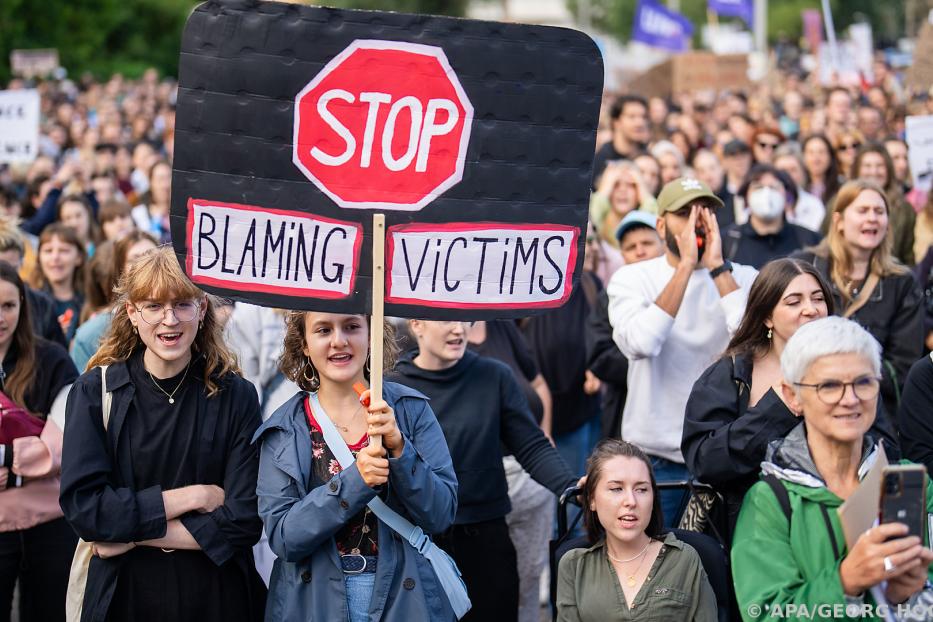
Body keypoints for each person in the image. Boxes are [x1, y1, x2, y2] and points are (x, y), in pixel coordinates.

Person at [59, 246, 267, 622]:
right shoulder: (94, 392)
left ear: (202, 310)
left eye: (182, 304)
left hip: (215, 597)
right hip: (124, 597)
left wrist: (127, 534)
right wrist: (195, 496)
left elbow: (243, 519)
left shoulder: (236, 395)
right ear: (132, 313)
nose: (169, 320)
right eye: (153, 306)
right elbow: (86, 510)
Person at [253, 311, 458, 621]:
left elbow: (441, 514)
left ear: (371, 335)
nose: (339, 341)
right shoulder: (284, 428)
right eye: (323, 330)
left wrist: (401, 449)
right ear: (305, 344)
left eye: (351, 327)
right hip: (315, 603)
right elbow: (284, 538)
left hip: (403, 598)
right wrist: (354, 482)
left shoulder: (410, 411)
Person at [731, 317, 933, 621]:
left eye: (863, 382)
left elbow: (922, 606)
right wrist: (845, 583)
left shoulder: (908, 483)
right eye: (829, 385)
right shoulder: (769, 502)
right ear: (792, 395)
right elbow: (765, 614)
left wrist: (906, 598)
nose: (849, 399)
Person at [682, 259, 899, 535]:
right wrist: (780, 407)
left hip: (841, 526)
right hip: (753, 531)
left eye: (818, 299)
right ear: (767, 316)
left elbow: (887, 451)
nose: (810, 309)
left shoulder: (852, 369)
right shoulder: (731, 373)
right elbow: (705, 461)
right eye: (794, 301)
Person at [389, 319, 578, 622]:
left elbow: (531, 445)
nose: (459, 329)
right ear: (417, 324)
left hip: (486, 540)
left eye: (466, 320)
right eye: (447, 319)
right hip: (418, 542)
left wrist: (573, 487)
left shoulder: (494, 376)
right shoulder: (393, 386)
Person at [606, 177, 758, 524]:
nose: (697, 221)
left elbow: (753, 346)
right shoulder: (632, 278)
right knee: (657, 565)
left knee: (718, 569)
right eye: (685, 213)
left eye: (705, 211)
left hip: (725, 454)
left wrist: (717, 269)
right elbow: (642, 343)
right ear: (661, 225)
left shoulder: (744, 278)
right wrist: (686, 266)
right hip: (655, 458)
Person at [794, 179, 922, 423]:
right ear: (839, 221)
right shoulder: (804, 266)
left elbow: (903, 367)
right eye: (862, 211)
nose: (872, 218)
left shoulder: (902, 283)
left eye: (879, 211)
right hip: (804, 405)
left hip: (871, 411)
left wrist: (851, 378)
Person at [556, 439, 717, 621]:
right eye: (616, 489)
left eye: (641, 490)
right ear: (591, 499)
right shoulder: (574, 565)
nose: (631, 501)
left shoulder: (684, 560)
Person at [0, 262, 79, 622]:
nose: (1, 317)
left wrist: (11, 473)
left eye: (8, 306)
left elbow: (59, 448)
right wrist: (23, 456)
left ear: (23, 306)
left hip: (49, 523)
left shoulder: (52, 360)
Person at [467, 320, 554, 622]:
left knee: (529, 578)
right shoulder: (433, 341)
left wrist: (544, 435)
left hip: (530, 476)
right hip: (482, 487)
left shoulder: (501, 326)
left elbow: (539, 383)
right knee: (491, 586)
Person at [587, 211, 664, 441]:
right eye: (631, 247)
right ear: (622, 254)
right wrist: (650, 363)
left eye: (647, 243)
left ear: (663, 245)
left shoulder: (683, 288)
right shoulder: (609, 296)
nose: (640, 251)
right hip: (625, 409)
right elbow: (599, 354)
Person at [70, 231, 157, 371]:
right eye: (135, 259)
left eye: (152, 257)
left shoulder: (180, 319)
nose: (146, 265)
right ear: (120, 269)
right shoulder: (90, 335)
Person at [723, 165, 821, 269]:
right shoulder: (727, 241)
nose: (766, 194)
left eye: (774, 187)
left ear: (787, 196)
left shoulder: (810, 240)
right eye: (758, 187)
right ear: (746, 196)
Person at [0, 217, 67, 347]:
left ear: (22, 263)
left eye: (12, 269)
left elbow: (57, 356)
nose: (5, 278)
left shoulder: (42, 305)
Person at [852, 144, 916, 265]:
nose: (874, 171)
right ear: (857, 170)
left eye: (880, 166)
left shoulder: (904, 209)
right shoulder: (841, 203)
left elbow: (909, 258)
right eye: (867, 166)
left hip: (891, 277)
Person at [29, 223, 86, 343]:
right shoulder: (30, 302)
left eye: (64, 250)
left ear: (79, 257)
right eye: (48, 251)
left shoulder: (90, 301)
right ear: (39, 257)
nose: (55, 257)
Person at [592, 95, 649, 185]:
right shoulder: (600, 160)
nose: (640, 123)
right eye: (632, 117)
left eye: (643, 117)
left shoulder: (649, 158)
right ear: (616, 122)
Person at [773, 146, 826, 233]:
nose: (787, 176)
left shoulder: (814, 205)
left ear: (802, 172)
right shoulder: (762, 202)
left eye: (793, 170)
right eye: (782, 170)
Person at [131, 160, 172, 244]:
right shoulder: (140, 213)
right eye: (160, 179)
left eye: (169, 178)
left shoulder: (186, 211)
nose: (166, 185)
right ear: (151, 182)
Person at [802, 134, 842, 206]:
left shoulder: (841, 187)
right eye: (811, 152)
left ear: (830, 156)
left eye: (821, 152)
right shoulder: (799, 188)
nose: (816, 158)